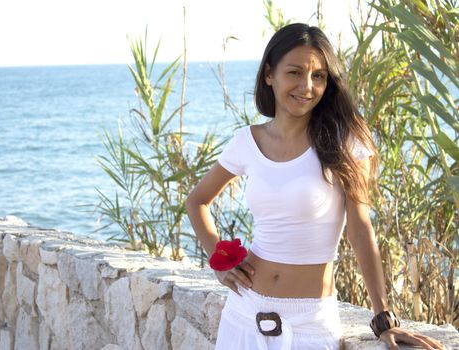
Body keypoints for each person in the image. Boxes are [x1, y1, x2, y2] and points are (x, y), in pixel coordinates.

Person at [185, 23, 445, 350]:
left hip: (310, 323)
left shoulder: (345, 142)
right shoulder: (246, 142)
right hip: (243, 314)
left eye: (318, 76)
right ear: (269, 75)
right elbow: (197, 201)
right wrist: (220, 262)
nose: (306, 87)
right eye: (294, 73)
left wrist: (384, 318)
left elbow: (361, 229)